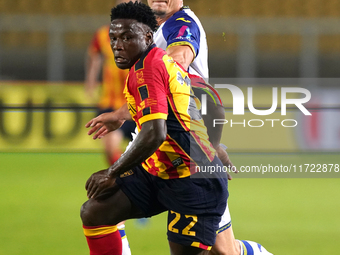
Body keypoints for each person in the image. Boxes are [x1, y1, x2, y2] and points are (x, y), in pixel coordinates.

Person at [88, 1, 273, 254]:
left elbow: (179, 61)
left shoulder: (182, 27)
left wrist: (210, 145)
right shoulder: (147, 43)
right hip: (163, 153)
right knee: (98, 209)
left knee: (224, 251)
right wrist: (121, 114)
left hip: (188, 155)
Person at [85, 0, 139, 166]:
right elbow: (95, 55)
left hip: (136, 101)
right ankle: (122, 179)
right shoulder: (103, 34)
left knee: (145, 149)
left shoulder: (144, 34)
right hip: (110, 101)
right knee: (109, 145)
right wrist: (91, 80)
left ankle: (132, 179)